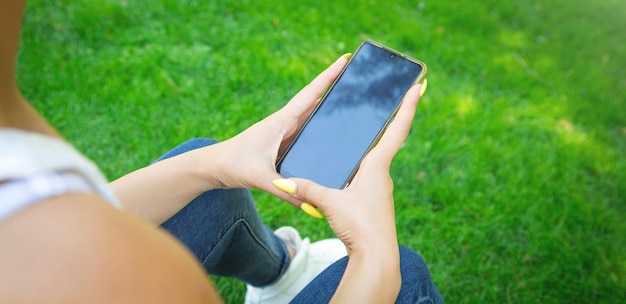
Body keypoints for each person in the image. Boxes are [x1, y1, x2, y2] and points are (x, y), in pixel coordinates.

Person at [0, 0, 443, 302]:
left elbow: (89, 212)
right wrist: (375, 253)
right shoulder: (139, 276)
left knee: (198, 170)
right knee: (406, 273)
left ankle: (282, 275)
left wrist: (216, 164)